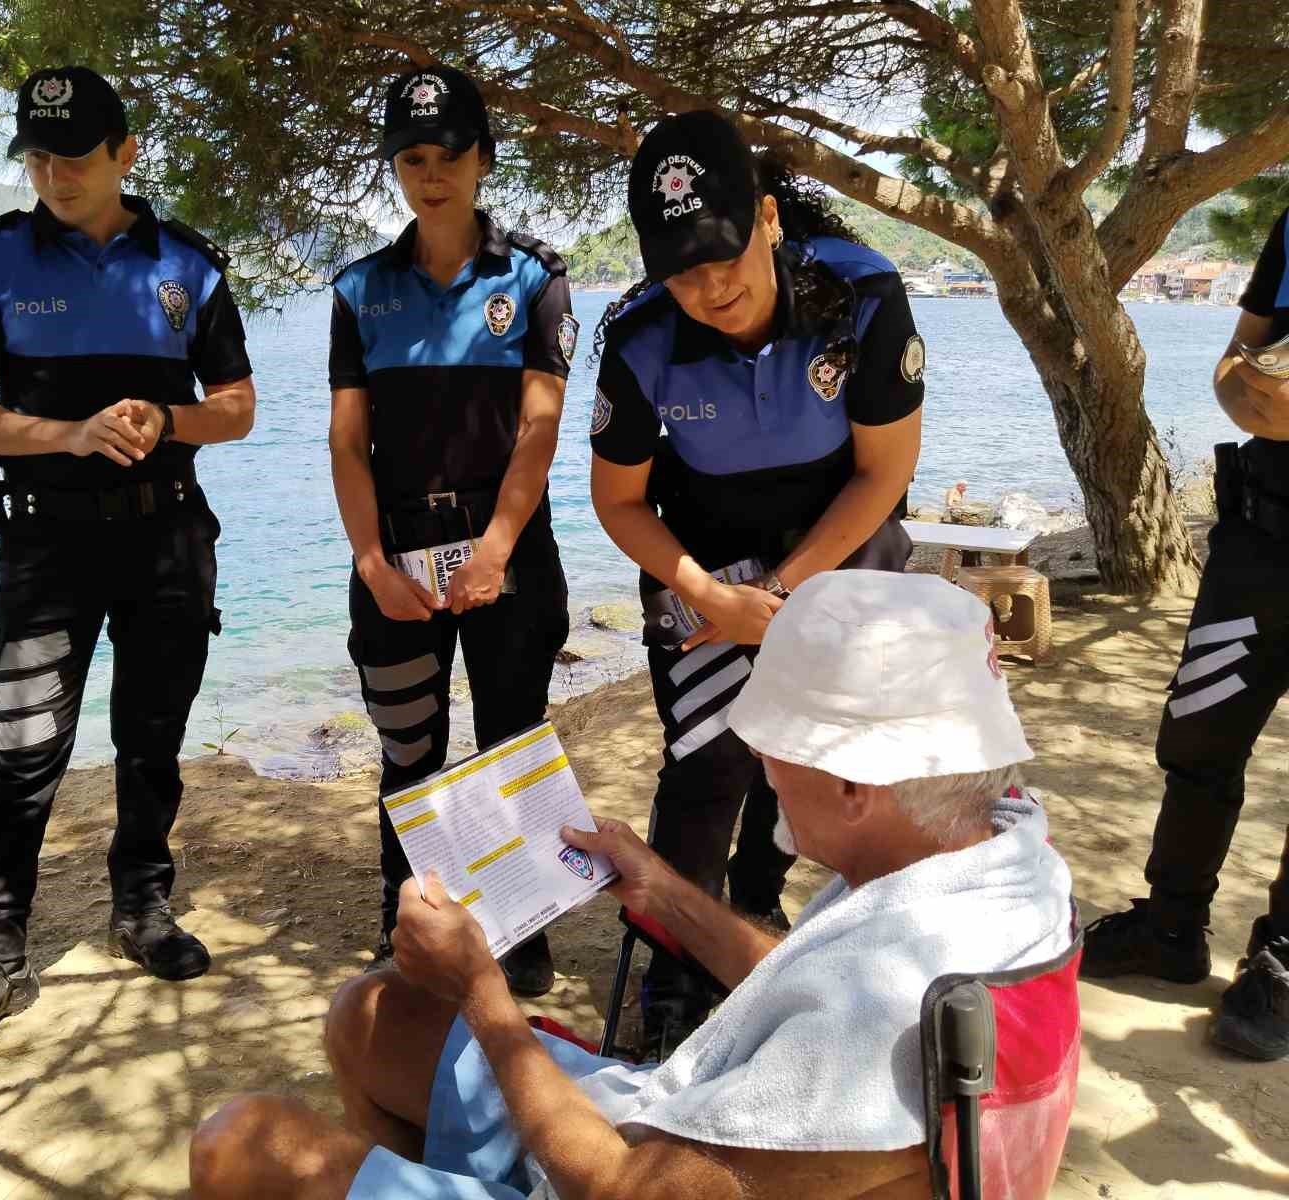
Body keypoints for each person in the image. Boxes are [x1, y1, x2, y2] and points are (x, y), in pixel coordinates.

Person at [189, 570, 1076, 1200]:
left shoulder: (865, 1022)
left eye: (778, 744)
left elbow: (623, 1189)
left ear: (855, 785)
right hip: (678, 1130)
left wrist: (482, 992)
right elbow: (812, 980)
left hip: (627, 1173)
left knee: (237, 1147)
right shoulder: (993, 861)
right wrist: (665, 893)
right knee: (372, 1015)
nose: (762, 761)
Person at [0, 66, 256, 1061]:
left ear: (125, 153)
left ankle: (142, 910)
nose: (52, 173)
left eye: (72, 155)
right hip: (44, 546)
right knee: (21, 756)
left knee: (151, 745)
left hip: (168, 539)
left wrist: (169, 418)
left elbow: (237, 407)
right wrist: (66, 435)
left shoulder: (188, 266)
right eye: (35, 155)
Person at [587, 110, 924, 1050]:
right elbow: (618, 503)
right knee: (707, 759)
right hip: (706, 568)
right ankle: (678, 962)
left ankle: (765, 907)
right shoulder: (644, 336)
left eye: (725, 256)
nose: (708, 287)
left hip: (840, 542)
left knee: (827, 757)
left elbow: (883, 473)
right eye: (681, 269)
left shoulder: (860, 299)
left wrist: (783, 595)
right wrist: (707, 592)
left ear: (769, 219)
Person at [326, 65, 576, 996]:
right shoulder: (358, 292)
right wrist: (371, 560)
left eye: (450, 155)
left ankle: (526, 924)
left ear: (483, 158)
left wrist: (498, 548)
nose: (432, 174)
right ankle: (413, 930)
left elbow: (540, 428)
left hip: (508, 553)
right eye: (413, 157)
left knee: (514, 740)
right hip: (394, 562)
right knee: (409, 755)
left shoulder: (535, 278)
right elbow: (349, 445)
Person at [1081, 205, 1289, 1062]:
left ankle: (1281, 965)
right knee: (1199, 729)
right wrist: (1250, 390)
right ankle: (1171, 928)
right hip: (1261, 532)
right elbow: (1237, 362)